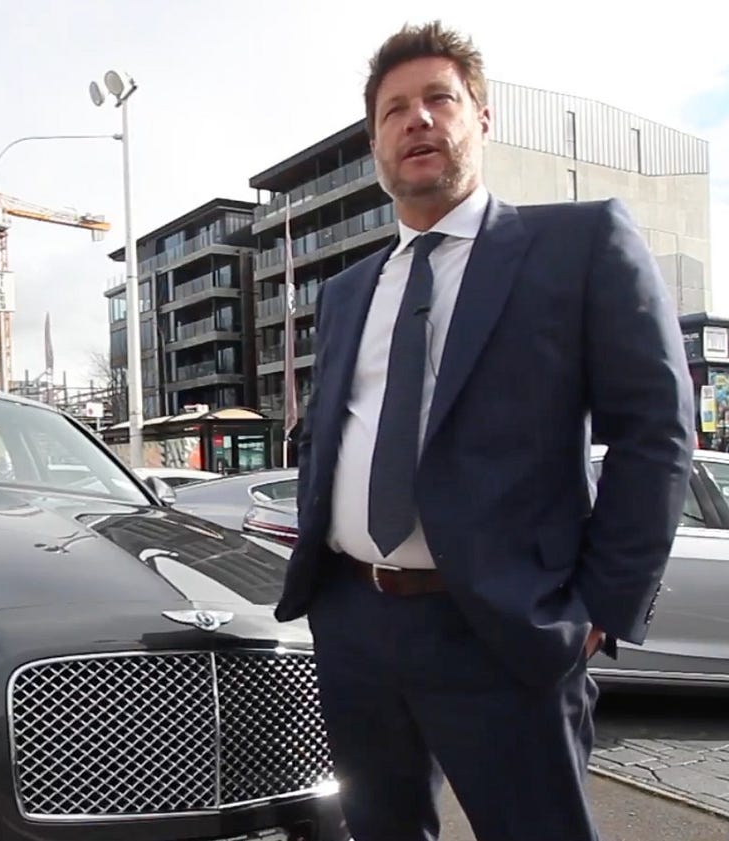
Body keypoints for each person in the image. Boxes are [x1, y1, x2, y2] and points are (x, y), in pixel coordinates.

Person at [273, 20, 695, 841]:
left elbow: (656, 431)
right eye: (395, 110)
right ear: (376, 142)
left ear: (482, 117)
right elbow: (327, 435)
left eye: (440, 99)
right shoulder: (348, 291)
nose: (417, 121)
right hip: (356, 623)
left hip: (505, 629)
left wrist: (598, 604)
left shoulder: (578, 245)